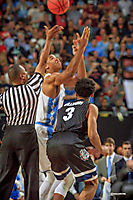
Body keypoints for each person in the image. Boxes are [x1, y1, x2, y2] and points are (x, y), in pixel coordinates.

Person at [0, 25, 64, 200]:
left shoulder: (4, 96)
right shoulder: (32, 86)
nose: (28, 74)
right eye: (25, 72)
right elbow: (42, 62)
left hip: (8, 135)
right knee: (30, 174)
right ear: (22, 77)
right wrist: (48, 38)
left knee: (5, 176)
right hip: (26, 132)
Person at [35, 27, 90, 200]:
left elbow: (82, 82)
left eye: (57, 56)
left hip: (49, 133)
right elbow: (69, 72)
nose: (56, 58)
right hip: (44, 130)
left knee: (54, 177)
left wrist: (79, 56)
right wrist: (80, 49)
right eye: (52, 58)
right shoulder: (49, 78)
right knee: (67, 178)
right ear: (47, 68)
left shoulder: (58, 82)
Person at [47, 77, 109, 200]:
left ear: (76, 93)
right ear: (92, 94)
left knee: (66, 181)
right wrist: (101, 149)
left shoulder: (62, 109)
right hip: (71, 142)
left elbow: (55, 130)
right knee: (92, 183)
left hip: (53, 143)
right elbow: (92, 135)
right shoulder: (91, 107)